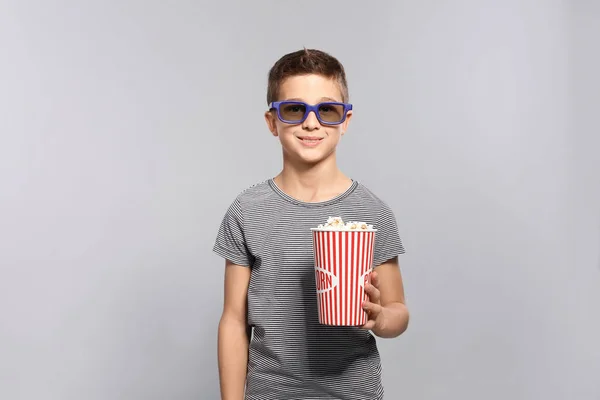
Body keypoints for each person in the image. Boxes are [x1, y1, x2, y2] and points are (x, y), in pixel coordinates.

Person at [213, 48, 409, 400]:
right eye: (294, 109)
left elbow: (398, 312)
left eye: (327, 110)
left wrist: (380, 318)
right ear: (273, 121)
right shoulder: (246, 210)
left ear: (345, 121)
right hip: (270, 393)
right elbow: (232, 321)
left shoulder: (373, 213)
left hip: (354, 392)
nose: (311, 122)